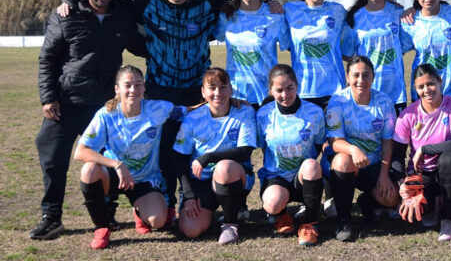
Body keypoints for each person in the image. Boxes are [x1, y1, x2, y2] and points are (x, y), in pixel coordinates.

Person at [60, 0, 232, 222]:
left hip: (196, 91)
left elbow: (242, 0)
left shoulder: (208, 1)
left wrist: (271, 4)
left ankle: (194, 200)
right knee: (162, 151)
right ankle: (165, 203)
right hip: (159, 90)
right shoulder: (145, 1)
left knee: (191, 149)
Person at [31, 0, 145, 240]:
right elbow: (48, 59)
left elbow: (141, 42)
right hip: (67, 100)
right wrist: (49, 97)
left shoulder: (122, 14)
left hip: (105, 105)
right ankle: (52, 217)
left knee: (111, 157)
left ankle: (107, 212)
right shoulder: (66, 15)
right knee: (52, 154)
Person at [74, 65, 185, 249]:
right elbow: (81, 151)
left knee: (158, 221)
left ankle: (139, 211)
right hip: (115, 175)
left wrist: (227, 103)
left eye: (138, 84)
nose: (133, 90)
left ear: (144, 87)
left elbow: (188, 111)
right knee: (89, 170)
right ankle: (101, 227)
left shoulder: (157, 109)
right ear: (117, 89)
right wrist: (117, 165)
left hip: (145, 178)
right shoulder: (106, 115)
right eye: (127, 85)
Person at [174, 68, 256, 245]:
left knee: (223, 167)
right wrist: (189, 195)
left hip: (233, 175)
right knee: (191, 230)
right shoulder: (192, 118)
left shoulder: (244, 111)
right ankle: (217, 210)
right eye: (212, 88)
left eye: (223, 87)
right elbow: (180, 159)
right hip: (201, 181)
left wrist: (208, 157)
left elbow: (245, 151)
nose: (218, 93)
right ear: (203, 92)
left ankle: (230, 224)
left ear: (231, 90)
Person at [325, 56, 400, 241]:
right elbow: (335, 141)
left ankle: (367, 202)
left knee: (391, 198)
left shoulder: (384, 102)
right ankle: (344, 221)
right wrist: (353, 150)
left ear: (373, 77)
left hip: (373, 164)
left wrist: (384, 175)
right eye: (355, 75)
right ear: (347, 77)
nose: (361, 80)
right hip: (347, 163)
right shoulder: (338, 101)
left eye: (366, 75)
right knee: (343, 161)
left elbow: (388, 142)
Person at [393, 64, 451, 241]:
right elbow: (397, 156)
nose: (427, 90)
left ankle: (449, 219)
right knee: (418, 212)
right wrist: (402, 184)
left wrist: (424, 149)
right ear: (415, 88)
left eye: (431, 84)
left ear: (440, 81)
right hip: (423, 173)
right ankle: (438, 201)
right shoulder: (408, 115)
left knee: (448, 159)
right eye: (421, 87)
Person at [255, 65, 326, 246]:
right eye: (279, 90)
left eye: (289, 88)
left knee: (312, 165)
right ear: (271, 90)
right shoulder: (263, 114)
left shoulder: (314, 112)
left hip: (303, 177)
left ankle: (310, 223)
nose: (285, 94)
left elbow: (319, 144)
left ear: (297, 86)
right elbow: (262, 146)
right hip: (276, 176)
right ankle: (281, 215)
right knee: (272, 204)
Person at [216, 0, 290, 105]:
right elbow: (214, 37)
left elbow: (289, 45)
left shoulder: (275, 15)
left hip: (268, 94)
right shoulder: (226, 16)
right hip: (236, 95)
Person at [283, 0, 352, 109]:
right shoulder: (290, 10)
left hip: (334, 90)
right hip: (302, 90)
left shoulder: (337, 11)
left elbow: (361, 13)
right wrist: (269, 2)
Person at [346, 0, 408, 113]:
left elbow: (403, 47)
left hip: (395, 92)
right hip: (366, 91)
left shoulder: (398, 13)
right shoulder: (353, 17)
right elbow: (347, 54)